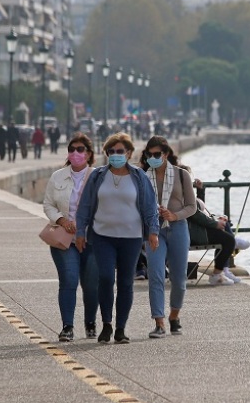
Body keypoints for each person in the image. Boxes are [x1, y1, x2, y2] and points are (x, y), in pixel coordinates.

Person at [75, 132, 158, 345]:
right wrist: (80, 232)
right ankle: (106, 324)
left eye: (119, 151)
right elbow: (85, 205)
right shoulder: (98, 176)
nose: (115, 155)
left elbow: (149, 207)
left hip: (131, 238)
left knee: (125, 282)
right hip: (103, 236)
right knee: (105, 278)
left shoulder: (139, 177)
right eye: (111, 151)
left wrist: (153, 232)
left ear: (129, 153)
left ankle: (120, 328)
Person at [42, 133, 99, 342]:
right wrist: (61, 220)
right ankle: (67, 326)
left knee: (92, 284)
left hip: (91, 239)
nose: (75, 153)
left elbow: (106, 207)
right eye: (72, 149)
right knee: (68, 280)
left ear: (89, 153)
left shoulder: (98, 176)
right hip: (64, 239)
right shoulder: (57, 176)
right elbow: (48, 204)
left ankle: (91, 321)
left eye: (80, 149)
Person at [139, 136, 197, 338]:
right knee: (155, 274)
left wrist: (174, 215)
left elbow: (192, 206)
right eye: (149, 155)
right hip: (154, 230)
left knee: (179, 279)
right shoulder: (143, 177)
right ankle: (159, 322)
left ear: (165, 154)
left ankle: (174, 316)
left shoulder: (182, 176)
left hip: (178, 228)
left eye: (157, 154)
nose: (153, 158)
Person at [189, 197, 240, 285]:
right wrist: (215, 223)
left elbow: (200, 209)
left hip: (196, 228)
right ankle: (217, 274)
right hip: (193, 233)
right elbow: (195, 214)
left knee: (225, 225)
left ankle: (224, 270)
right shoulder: (183, 190)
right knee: (229, 241)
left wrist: (200, 190)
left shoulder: (184, 190)